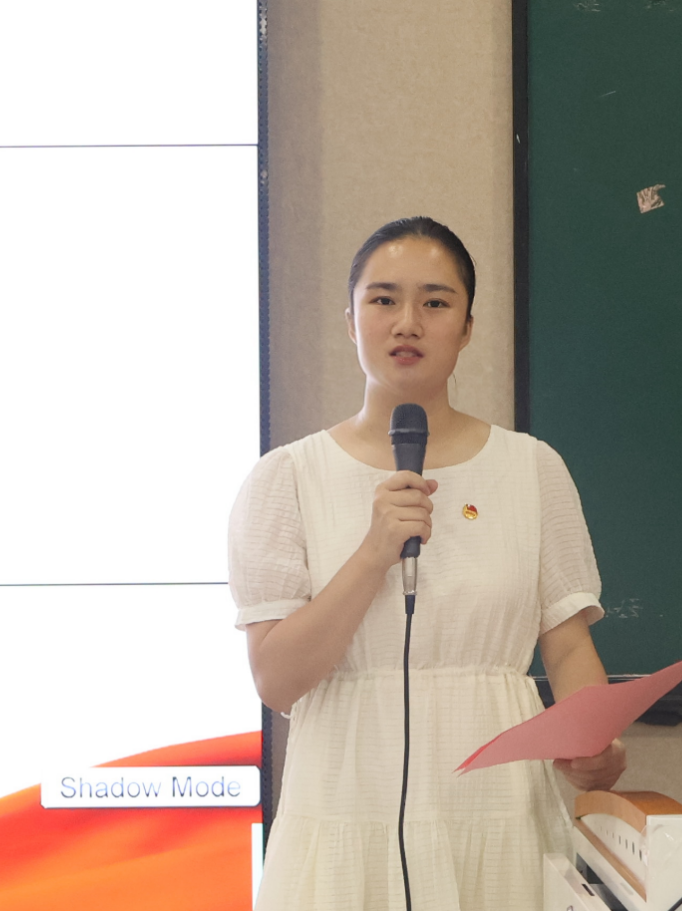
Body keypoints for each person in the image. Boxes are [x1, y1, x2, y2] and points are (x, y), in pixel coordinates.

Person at [229, 216, 625, 910]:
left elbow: (566, 647)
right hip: (347, 808)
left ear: (467, 327)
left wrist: (597, 743)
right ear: (350, 321)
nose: (407, 322)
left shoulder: (532, 468)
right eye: (383, 299)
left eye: (435, 302)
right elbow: (277, 678)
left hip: (498, 811)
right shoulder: (286, 479)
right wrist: (373, 553)